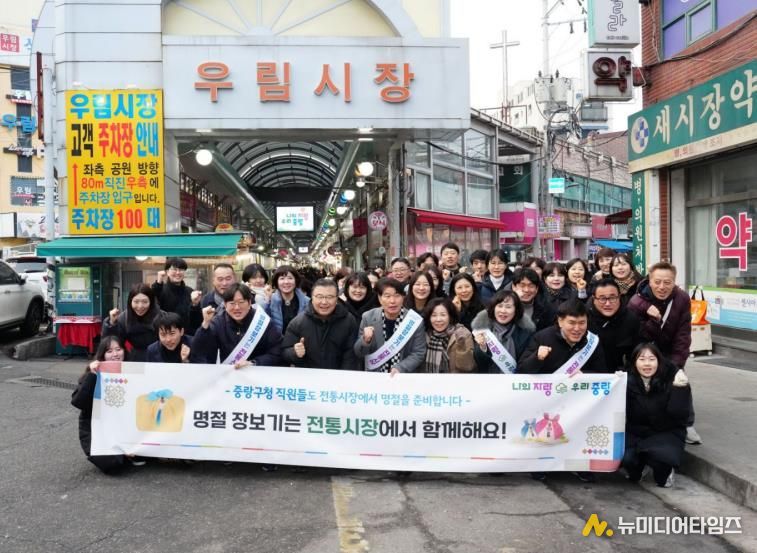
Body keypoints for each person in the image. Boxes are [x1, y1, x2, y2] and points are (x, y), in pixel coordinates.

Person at [627, 261, 700, 445]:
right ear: (649, 281)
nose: (662, 287)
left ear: (674, 282)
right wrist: (652, 317)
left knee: (680, 381)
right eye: (657, 282)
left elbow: (683, 333)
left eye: (667, 282)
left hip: (669, 349)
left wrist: (677, 363)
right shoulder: (636, 302)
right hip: (645, 350)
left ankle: (687, 424)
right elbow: (637, 334)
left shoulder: (682, 299)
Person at [623, 343, 691, 488]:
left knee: (661, 474)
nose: (647, 364)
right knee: (627, 460)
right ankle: (640, 468)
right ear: (634, 362)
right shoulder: (627, 381)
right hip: (637, 433)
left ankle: (665, 472)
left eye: (651, 359)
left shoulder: (673, 380)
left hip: (666, 433)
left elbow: (680, 414)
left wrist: (680, 389)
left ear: (659, 362)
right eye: (642, 359)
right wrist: (616, 385)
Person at [71, 336, 131, 474]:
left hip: (122, 425)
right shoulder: (93, 373)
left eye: (118, 349)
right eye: (109, 351)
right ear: (102, 355)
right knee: (111, 464)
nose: (115, 354)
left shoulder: (132, 372)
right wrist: (92, 375)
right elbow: (78, 402)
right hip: (96, 428)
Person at [191, 283, 283, 367]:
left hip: (258, 375)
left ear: (249, 303)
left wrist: (254, 363)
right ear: (225, 305)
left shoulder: (262, 321)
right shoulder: (218, 322)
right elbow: (198, 351)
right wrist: (205, 323)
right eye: (232, 303)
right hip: (230, 376)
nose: (237, 307)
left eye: (241, 302)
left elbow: (276, 352)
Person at [282, 279, 359, 370]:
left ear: (337, 298)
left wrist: (342, 376)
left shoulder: (348, 321)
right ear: (312, 298)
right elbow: (284, 353)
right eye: (319, 297)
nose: (324, 302)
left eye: (330, 297)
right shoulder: (298, 322)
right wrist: (294, 352)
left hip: (338, 376)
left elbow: (350, 356)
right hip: (308, 376)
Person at [354, 277, 427, 374]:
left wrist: (401, 368)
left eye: (397, 296)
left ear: (403, 297)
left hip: (402, 376)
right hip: (375, 375)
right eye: (387, 296)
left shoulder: (414, 320)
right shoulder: (368, 317)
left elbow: (419, 353)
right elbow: (359, 353)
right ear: (380, 299)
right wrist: (365, 340)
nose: (392, 301)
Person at [518, 299, 607, 374]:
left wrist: (584, 375)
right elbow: (521, 371)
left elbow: (602, 374)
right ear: (560, 321)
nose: (577, 328)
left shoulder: (593, 342)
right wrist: (537, 358)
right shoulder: (542, 338)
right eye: (572, 323)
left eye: (582, 323)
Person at [471, 290, 535, 374]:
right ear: (494, 308)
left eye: (508, 307)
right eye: (500, 306)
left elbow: (526, 364)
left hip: (516, 380)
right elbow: (480, 363)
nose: (503, 311)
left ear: (516, 310)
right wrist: (482, 347)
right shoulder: (483, 330)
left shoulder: (525, 333)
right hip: (489, 379)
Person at [588, 278, 641, 371]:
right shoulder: (584, 319)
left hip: (621, 374)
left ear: (619, 297)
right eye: (602, 299)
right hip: (589, 374)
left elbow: (636, 353)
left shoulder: (631, 319)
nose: (608, 304)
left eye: (612, 298)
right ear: (594, 299)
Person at [102, 284, 163, 361]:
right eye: (136, 302)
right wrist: (112, 323)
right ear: (130, 301)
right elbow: (111, 342)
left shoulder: (161, 316)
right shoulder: (124, 318)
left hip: (159, 358)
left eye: (145, 302)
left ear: (151, 302)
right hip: (135, 359)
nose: (140, 306)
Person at [421, 297, 475, 373]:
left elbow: (467, 367)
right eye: (434, 315)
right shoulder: (424, 334)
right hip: (430, 379)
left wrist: (461, 347)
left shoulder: (463, 333)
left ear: (450, 316)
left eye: (443, 315)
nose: (438, 319)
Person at [151, 257, 202, 332]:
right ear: (167, 272)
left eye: (181, 269)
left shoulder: (190, 291)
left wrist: (195, 305)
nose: (178, 273)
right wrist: (158, 283)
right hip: (167, 334)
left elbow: (196, 322)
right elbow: (152, 302)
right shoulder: (160, 290)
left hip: (187, 335)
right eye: (174, 269)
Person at [267, 266, 310, 334]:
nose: (286, 282)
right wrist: (266, 301)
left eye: (290, 278)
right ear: (276, 282)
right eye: (282, 278)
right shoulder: (270, 300)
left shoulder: (307, 302)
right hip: (277, 340)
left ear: (296, 280)